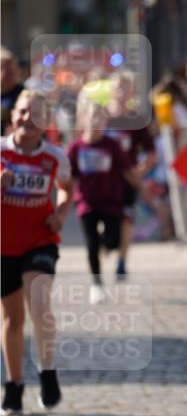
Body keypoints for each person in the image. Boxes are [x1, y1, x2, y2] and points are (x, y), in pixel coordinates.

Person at [1, 90, 73, 416]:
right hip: (4, 246)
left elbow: (66, 188)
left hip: (40, 241)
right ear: (11, 115)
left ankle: (47, 369)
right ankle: (14, 385)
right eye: (22, 111)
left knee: (40, 306)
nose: (27, 118)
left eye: (35, 114)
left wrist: (60, 213)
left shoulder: (55, 156)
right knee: (12, 319)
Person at [68, 97, 140, 303]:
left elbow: (126, 170)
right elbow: (68, 176)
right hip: (86, 202)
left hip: (111, 201)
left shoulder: (112, 145)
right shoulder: (76, 147)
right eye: (92, 117)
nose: (96, 122)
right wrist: (64, 199)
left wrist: (140, 186)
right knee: (91, 245)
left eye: (100, 118)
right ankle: (97, 285)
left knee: (114, 242)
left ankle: (105, 243)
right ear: (84, 119)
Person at [104, 72, 157, 280]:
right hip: (102, 182)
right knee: (106, 222)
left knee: (126, 220)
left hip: (126, 181)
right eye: (118, 87)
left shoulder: (136, 120)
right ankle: (107, 241)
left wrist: (140, 171)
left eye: (125, 88)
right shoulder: (101, 117)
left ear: (132, 93)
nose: (121, 92)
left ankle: (121, 262)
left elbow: (151, 152)